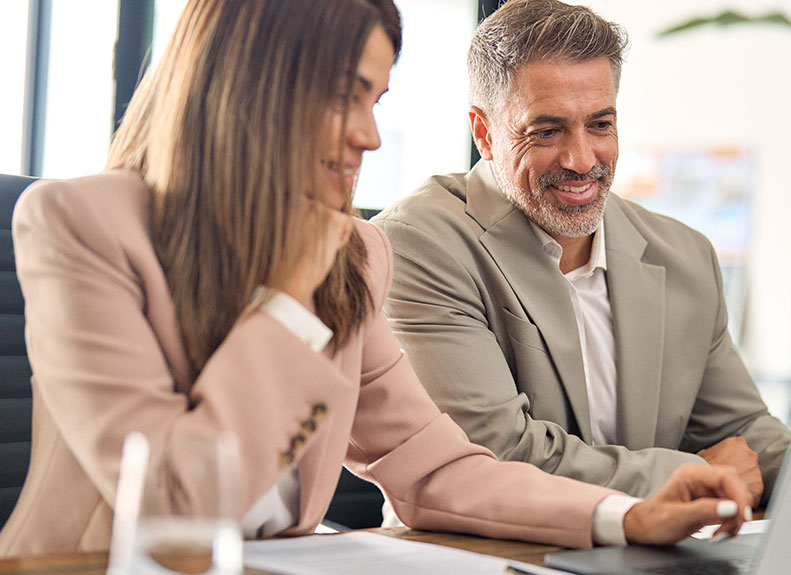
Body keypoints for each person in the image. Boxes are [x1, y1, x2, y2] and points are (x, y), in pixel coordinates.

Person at [0, 0, 750, 558]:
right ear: (252, 88)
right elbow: (172, 504)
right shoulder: (79, 225)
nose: (369, 134)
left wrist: (626, 514)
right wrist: (291, 296)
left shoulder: (352, 254)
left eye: (375, 100)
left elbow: (440, 469)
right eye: (342, 97)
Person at [372, 0, 791, 512]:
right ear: (483, 133)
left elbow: (744, 434)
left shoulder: (685, 256)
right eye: (546, 131)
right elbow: (493, 456)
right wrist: (695, 476)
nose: (580, 160)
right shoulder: (418, 243)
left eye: (600, 125)